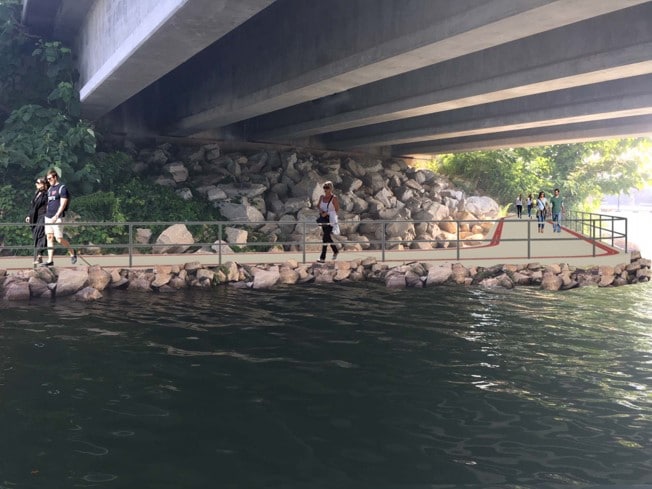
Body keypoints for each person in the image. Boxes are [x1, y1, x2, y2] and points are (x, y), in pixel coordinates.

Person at [42, 169, 77, 266]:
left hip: (57, 217)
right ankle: (50, 261)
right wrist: (47, 214)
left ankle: (72, 252)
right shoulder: (49, 189)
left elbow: (63, 204)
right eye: (47, 179)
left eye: (50, 179)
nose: (48, 181)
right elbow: (49, 203)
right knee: (49, 237)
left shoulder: (62, 188)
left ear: (55, 177)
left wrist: (56, 216)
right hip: (48, 216)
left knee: (59, 238)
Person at [26, 176, 49, 265]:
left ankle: (39, 255)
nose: (36, 184)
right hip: (34, 217)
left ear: (43, 184)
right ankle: (39, 255)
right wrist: (29, 216)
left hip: (42, 216)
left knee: (41, 234)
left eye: (38, 182)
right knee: (36, 235)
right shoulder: (37, 193)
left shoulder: (46, 194)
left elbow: (47, 206)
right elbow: (33, 206)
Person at [316, 181, 340, 262]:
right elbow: (318, 206)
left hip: (331, 219)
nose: (325, 189)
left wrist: (327, 213)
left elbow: (336, 210)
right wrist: (321, 211)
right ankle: (335, 251)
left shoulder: (334, 198)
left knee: (325, 237)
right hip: (323, 219)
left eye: (327, 188)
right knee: (327, 237)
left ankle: (322, 257)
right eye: (324, 187)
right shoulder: (322, 197)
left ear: (331, 189)